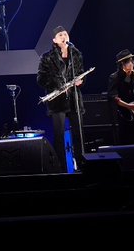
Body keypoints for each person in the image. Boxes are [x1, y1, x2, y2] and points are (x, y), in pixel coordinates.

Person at [36, 26, 85, 173]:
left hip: (74, 99)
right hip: (57, 102)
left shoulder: (76, 53)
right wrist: (56, 84)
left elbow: (81, 72)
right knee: (59, 136)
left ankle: (82, 165)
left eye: (65, 34)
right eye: (60, 35)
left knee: (79, 134)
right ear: (54, 40)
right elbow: (40, 79)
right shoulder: (47, 57)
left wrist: (81, 80)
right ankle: (61, 168)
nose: (64, 36)